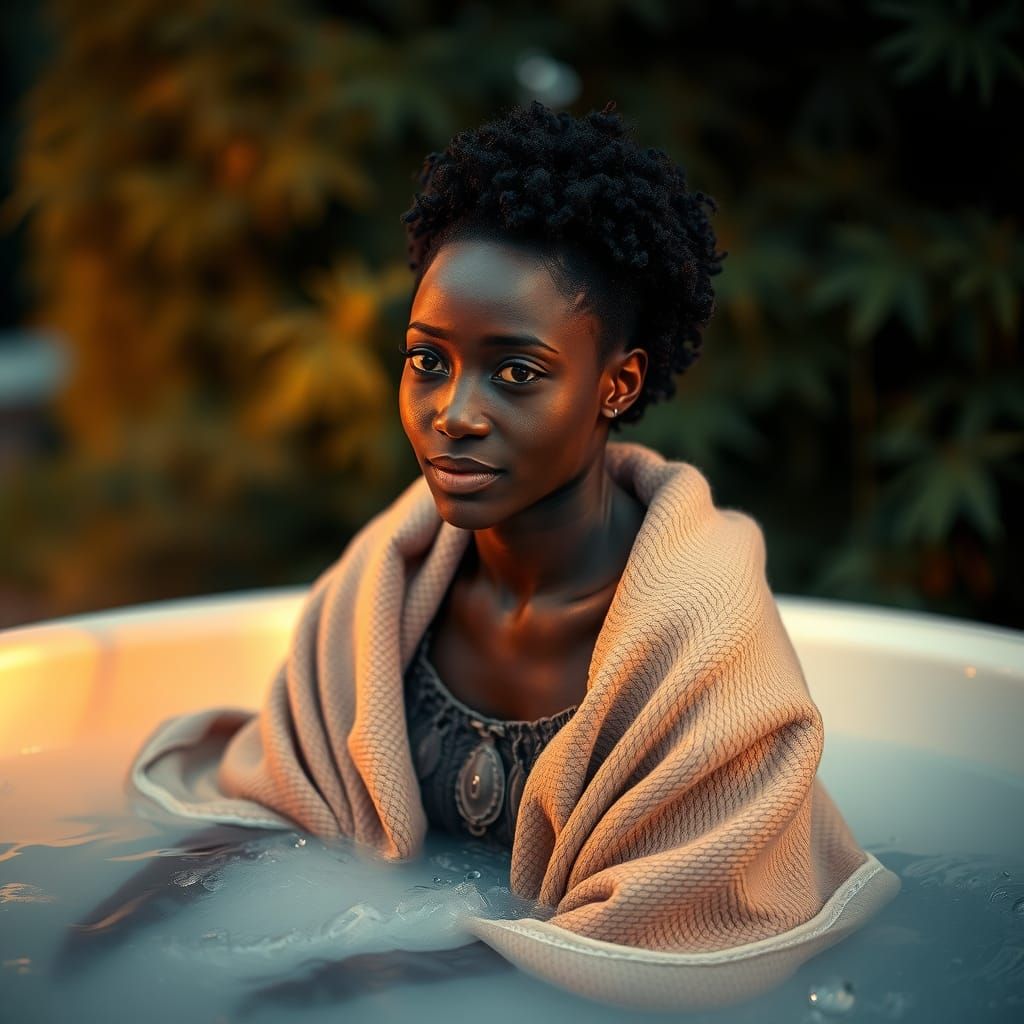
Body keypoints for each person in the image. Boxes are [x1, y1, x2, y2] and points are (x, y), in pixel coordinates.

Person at [132, 99, 899, 1010]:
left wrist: (358, 980)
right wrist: (121, 921)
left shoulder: (702, 646)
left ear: (617, 385)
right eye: (427, 361)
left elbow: (696, 922)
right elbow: (273, 808)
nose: (454, 412)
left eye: (516, 372)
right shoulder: (381, 594)